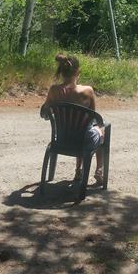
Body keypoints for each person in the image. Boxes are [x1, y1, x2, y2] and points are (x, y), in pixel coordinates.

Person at [40, 53, 106, 185]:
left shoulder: (54, 90)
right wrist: (100, 127)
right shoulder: (87, 91)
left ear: (61, 72)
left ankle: (78, 170)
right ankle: (99, 170)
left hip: (62, 139)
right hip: (83, 140)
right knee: (101, 129)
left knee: (78, 130)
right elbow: (93, 116)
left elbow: (44, 114)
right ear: (78, 72)